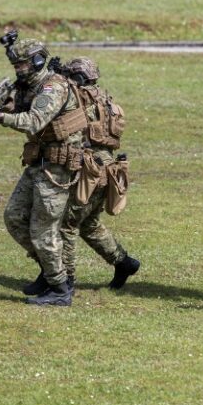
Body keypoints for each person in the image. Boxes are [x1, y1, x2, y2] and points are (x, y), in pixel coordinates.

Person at [0, 36, 88, 306]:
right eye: (15, 64)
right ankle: (51, 272)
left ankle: (60, 289)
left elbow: (35, 120)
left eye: (22, 63)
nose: (18, 69)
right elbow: (22, 106)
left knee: (43, 230)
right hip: (39, 163)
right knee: (14, 217)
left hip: (58, 168)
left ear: (38, 60)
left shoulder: (54, 87)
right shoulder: (30, 84)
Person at [54, 57, 140, 291]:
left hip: (92, 172)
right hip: (108, 168)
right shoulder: (107, 101)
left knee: (67, 223)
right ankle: (124, 263)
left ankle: (66, 280)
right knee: (89, 223)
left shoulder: (81, 100)